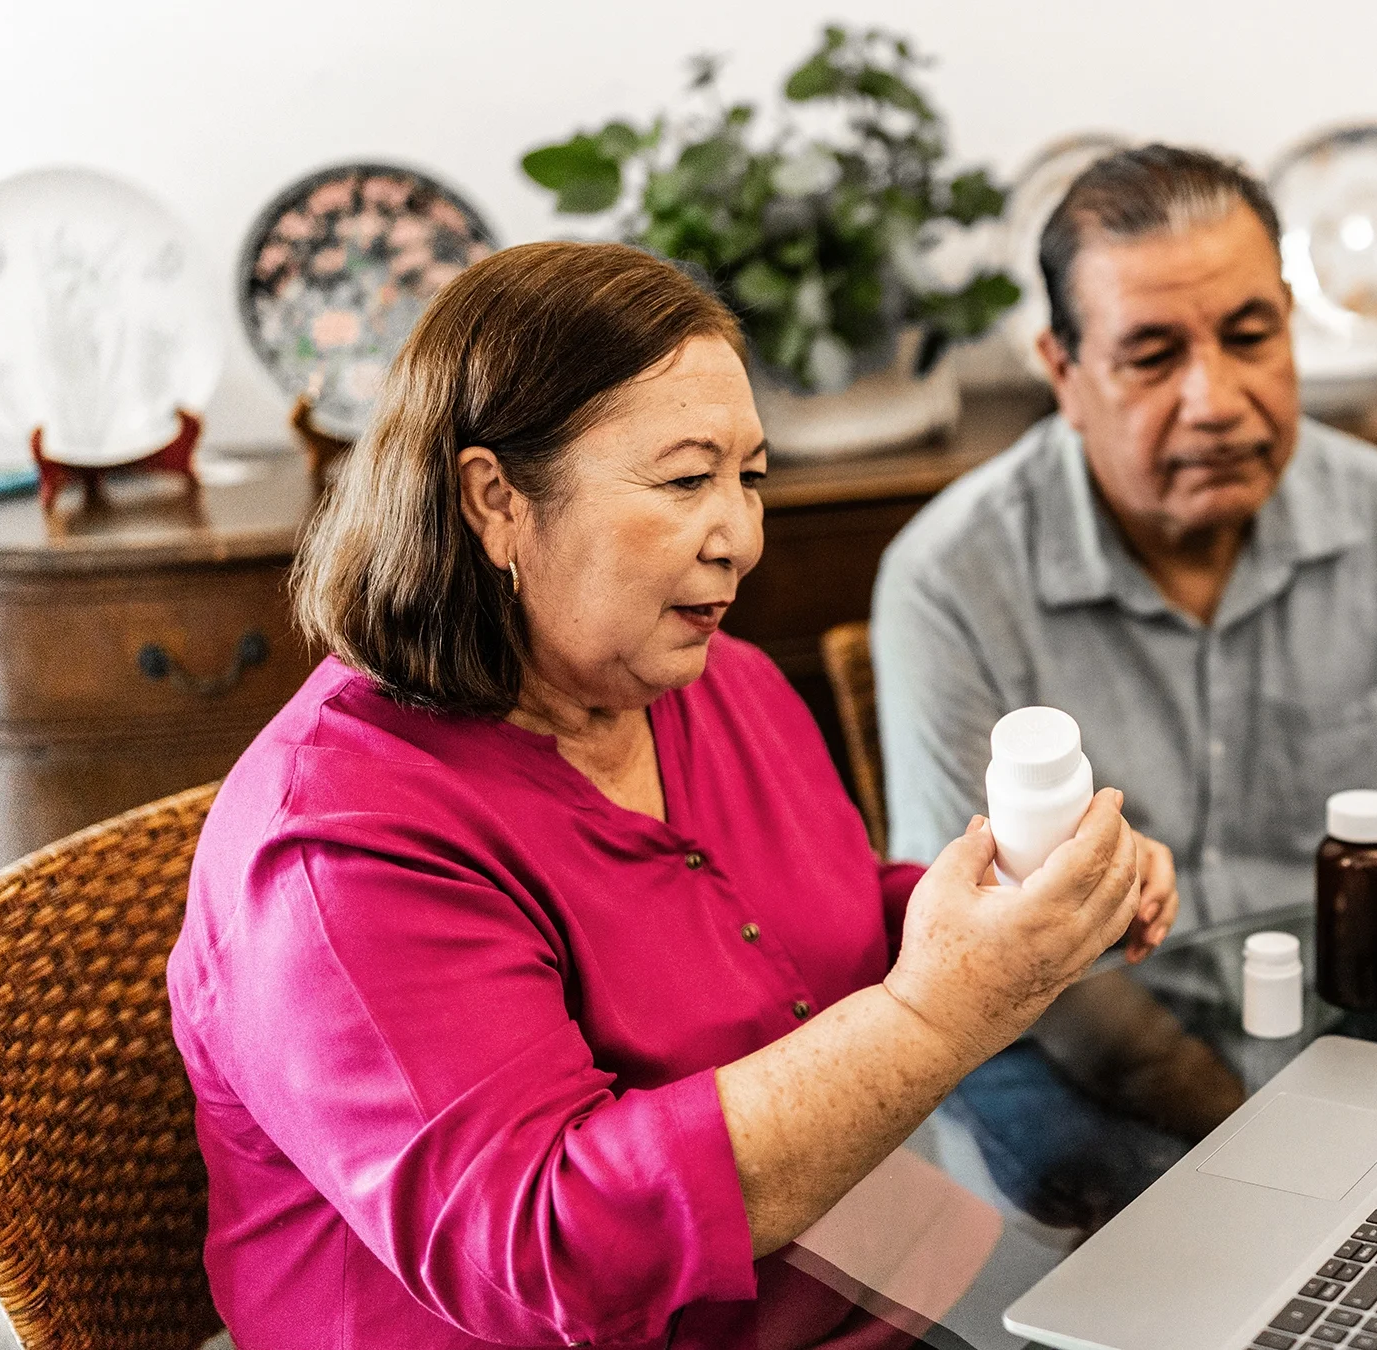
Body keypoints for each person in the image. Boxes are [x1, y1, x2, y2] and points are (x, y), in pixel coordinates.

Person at [165, 241, 1175, 1349]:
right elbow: (551, 1250)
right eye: (687, 480)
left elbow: (807, 927)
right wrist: (945, 1003)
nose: (739, 537)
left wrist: (1015, 908)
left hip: (872, 1289)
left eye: (750, 477)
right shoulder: (338, 848)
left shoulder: (709, 680)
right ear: (496, 499)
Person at [873, 145, 1377, 923]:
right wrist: (1186, 1057)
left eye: (1251, 339)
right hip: (1070, 1024)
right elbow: (974, 939)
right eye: (1152, 356)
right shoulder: (949, 580)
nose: (1214, 401)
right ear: (1064, 376)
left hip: (1345, 1007)